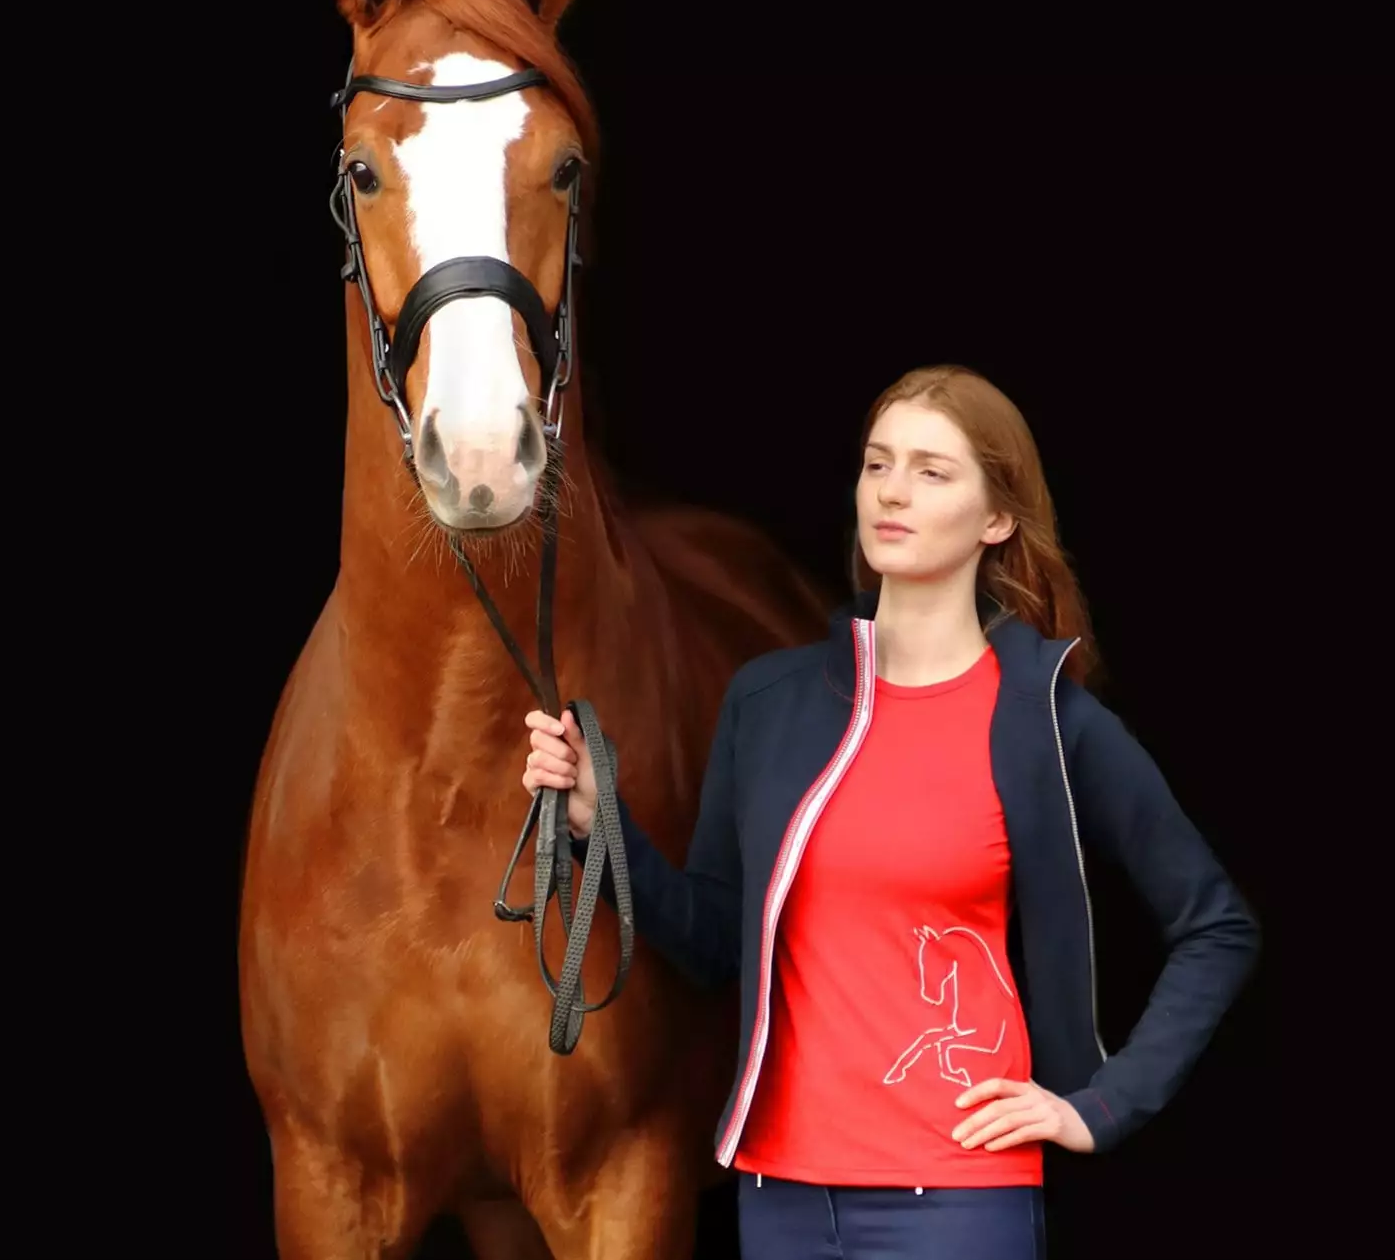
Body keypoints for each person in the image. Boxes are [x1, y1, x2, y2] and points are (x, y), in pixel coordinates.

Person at [519, 365, 1261, 1260]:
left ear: (996, 519)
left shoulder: (1044, 717)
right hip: (779, 1195)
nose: (892, 491)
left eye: (931, 471)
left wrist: (1098, 1104)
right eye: (878, 463)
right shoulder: (769, 700)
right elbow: (715, 938)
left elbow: (1215, 925)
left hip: (957, 1199)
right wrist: (598, 825)